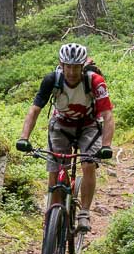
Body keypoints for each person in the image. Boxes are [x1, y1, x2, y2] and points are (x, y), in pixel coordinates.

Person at [15, 43, 114, 232]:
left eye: (76, 67)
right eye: (68, 66)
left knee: (88, 164)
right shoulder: (52, 79)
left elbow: (108, 115)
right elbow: (35, 109)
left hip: (89, 126)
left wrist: (106, 145)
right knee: (55, 170)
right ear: (61, 65)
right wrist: (24, 137)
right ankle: (53, 215)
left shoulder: (95, 81)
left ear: (82, 66)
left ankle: (84, 213)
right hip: (60, 125)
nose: (71, 71)